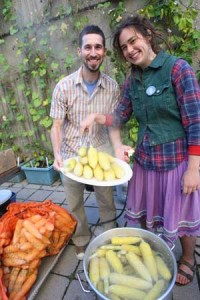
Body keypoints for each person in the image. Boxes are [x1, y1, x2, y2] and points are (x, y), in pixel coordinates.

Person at [80, 15, 200, 285]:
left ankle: (188, 258)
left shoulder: (178, 70)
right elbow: (121, 114)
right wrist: (98, 118)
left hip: (176, 162)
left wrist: (194, 169)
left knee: (181, 214)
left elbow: (195, 122)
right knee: (146, 213)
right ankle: (150, 253)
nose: (130, 50)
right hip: (145, 161)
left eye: (133, 41)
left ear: (147, 35)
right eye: (124, 47)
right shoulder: (133, 79)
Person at [50, 25, 120, 260]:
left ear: (104, 52)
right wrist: (57, 153)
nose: (93, 52)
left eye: (98, 47)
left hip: (101, 152)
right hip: (71, 154)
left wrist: (118, 150)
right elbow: (57, 125)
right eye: (88, 47)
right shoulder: (64, 86)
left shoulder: (112, 87)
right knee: (74, 203)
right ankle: (81, 238)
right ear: (79, 51)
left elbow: (113, 123)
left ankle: (109, 235)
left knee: (107, 199)